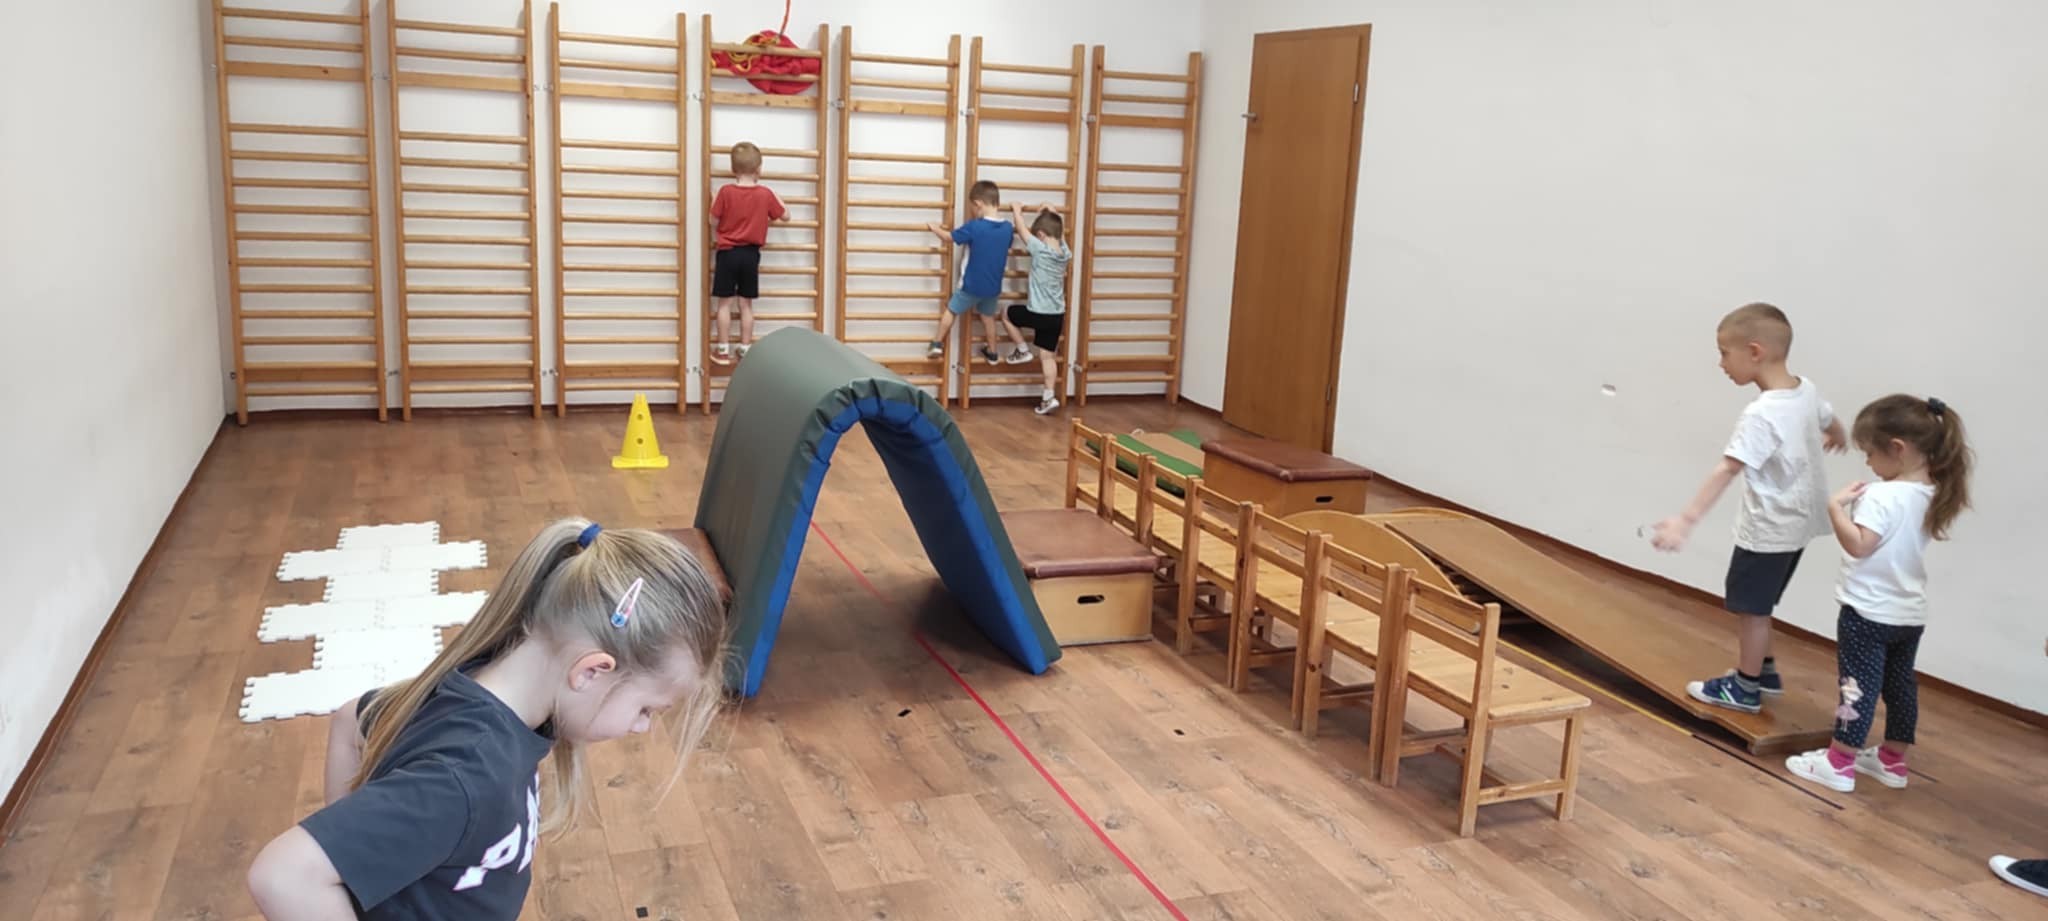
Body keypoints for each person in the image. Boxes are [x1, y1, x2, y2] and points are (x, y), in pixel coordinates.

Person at [246, 520, 730, 920]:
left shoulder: (482, 684)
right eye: (647, 710)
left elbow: (352, 719)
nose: (642, 727)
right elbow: (283, 876)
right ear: (591, 671)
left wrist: (358, 861)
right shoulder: (468, 775)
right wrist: (351, 873)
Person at [1652, 302, 1847, 714]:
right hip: (1798, 527)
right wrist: (1837, 434)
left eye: (1724, 353)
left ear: (1754, 352)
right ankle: (1766, 670)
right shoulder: (1805, 390)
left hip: (1769, 529)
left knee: (1751, 610)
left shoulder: (1762, 414)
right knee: (1762, 603)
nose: (1721, 363)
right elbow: (1828, 417)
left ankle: (1745, 687)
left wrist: (1684, 521)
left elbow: (1728, 468)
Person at [1784, 395, 1972, 792]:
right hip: (1909, 615)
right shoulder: (1934, 493)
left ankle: (1839, 762)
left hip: (1867, 613)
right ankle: (1892, 760)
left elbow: (1859, 545)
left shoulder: (1880, 496)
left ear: (1897, 449)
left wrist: (1835, 509)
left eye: (1870, 453)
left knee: (1857, 687)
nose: (1868, 463)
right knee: (1900, 686)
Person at [709, 141, 788, 363]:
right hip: (751, 255)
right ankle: (745, 348)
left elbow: (712, 221)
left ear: (733, 169)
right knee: (746, 304)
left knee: (724, 303)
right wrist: (777, 197)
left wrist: (714, 201)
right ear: (759, 169)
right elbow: (785, 216)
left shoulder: (725, 192)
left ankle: (722, 349)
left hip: (727, 253)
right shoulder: (765, 194)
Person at [998, 201, 1072, 415]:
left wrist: (1017, 211)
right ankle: (1048, 397)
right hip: (1056, 315)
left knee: (1006, 314)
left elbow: (1022, 231)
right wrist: (1052, 211)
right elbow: (1059, 230)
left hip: (1038, 313)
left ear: (1040, 235)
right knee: (1048, 357)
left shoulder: (1040, 250)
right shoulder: (1064, 252)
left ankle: (1022, 350)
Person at [927, 180, 1011, 365]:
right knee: (988, 318)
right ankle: (993, 352)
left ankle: (936, 343)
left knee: (951, 310)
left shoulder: (975, 226)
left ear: (978, 204)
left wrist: (934, 228)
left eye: (972, 207)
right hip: (992, 287)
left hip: (971, 285)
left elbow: (949, 237)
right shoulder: (1007, 228)